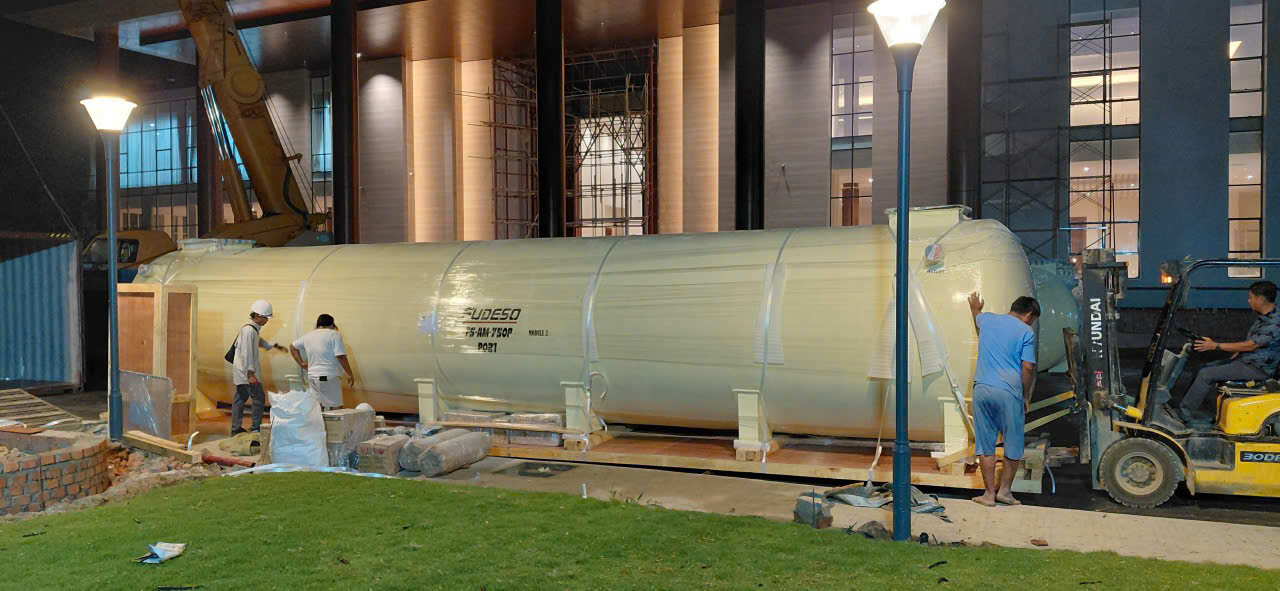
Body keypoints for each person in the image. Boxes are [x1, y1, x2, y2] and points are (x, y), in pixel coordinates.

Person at [967, 292, 1039, 507]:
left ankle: (988, 494)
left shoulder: (987, 319)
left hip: (981, 389)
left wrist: (975, 308)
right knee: (1013, 442)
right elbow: (1028, 367)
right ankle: (1005, 492)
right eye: (1033, 320)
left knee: (985, 444)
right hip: (1008, 392)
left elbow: (977, 317)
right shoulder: (1026, 331)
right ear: (1029, 315)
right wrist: (1026, 394)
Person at [1178, 281, 1280, 422]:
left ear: (1260, 299)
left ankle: (1184, 415)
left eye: (1251, 298)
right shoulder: (1265, 317)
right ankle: (1206, 411)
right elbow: (1252, 343)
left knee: (1206, 374)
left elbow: (1251, 346)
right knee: (1201, 369)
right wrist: (1236, 352)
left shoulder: (1275, 322)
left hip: (1257, 369)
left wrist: (1215, 346)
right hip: (1247, 361)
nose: (1249, 301)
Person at [231, 299, 286, 435]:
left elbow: (258, 340)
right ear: (258, 315)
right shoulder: (249, 331)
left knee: (240, 399)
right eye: (265, 317)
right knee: (259, 399)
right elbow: (247, 353)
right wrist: (250, 374)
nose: (267, 321)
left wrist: (271, 346)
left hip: (242, 372)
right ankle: (255, 428)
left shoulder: (251, 329)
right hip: (247, 374)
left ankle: (236, 429)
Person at [290, 314, 355, 410]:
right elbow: (340, 356)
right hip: (327, 376)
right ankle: (334, 420)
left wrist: (302, 363)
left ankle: (318, 420)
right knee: (335, 407)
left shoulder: (308, 335)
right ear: (332, 324)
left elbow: (292, 347)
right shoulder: (334, 334)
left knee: (318, 407)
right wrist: (350, 373)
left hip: (312, 377)